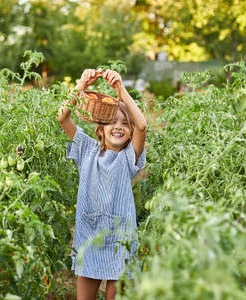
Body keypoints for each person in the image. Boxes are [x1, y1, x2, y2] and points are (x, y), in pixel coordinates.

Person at [57, 69, 147, 300]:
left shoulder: (129, 156)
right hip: (90, 236)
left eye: (124, 124)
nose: (118, 127)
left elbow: (143, 125)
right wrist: (82, 83)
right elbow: (63, 117)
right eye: (112, 122)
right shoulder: (87, 150)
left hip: (120, 239)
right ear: (101, 129)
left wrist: (120, 90)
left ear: (129, 133)